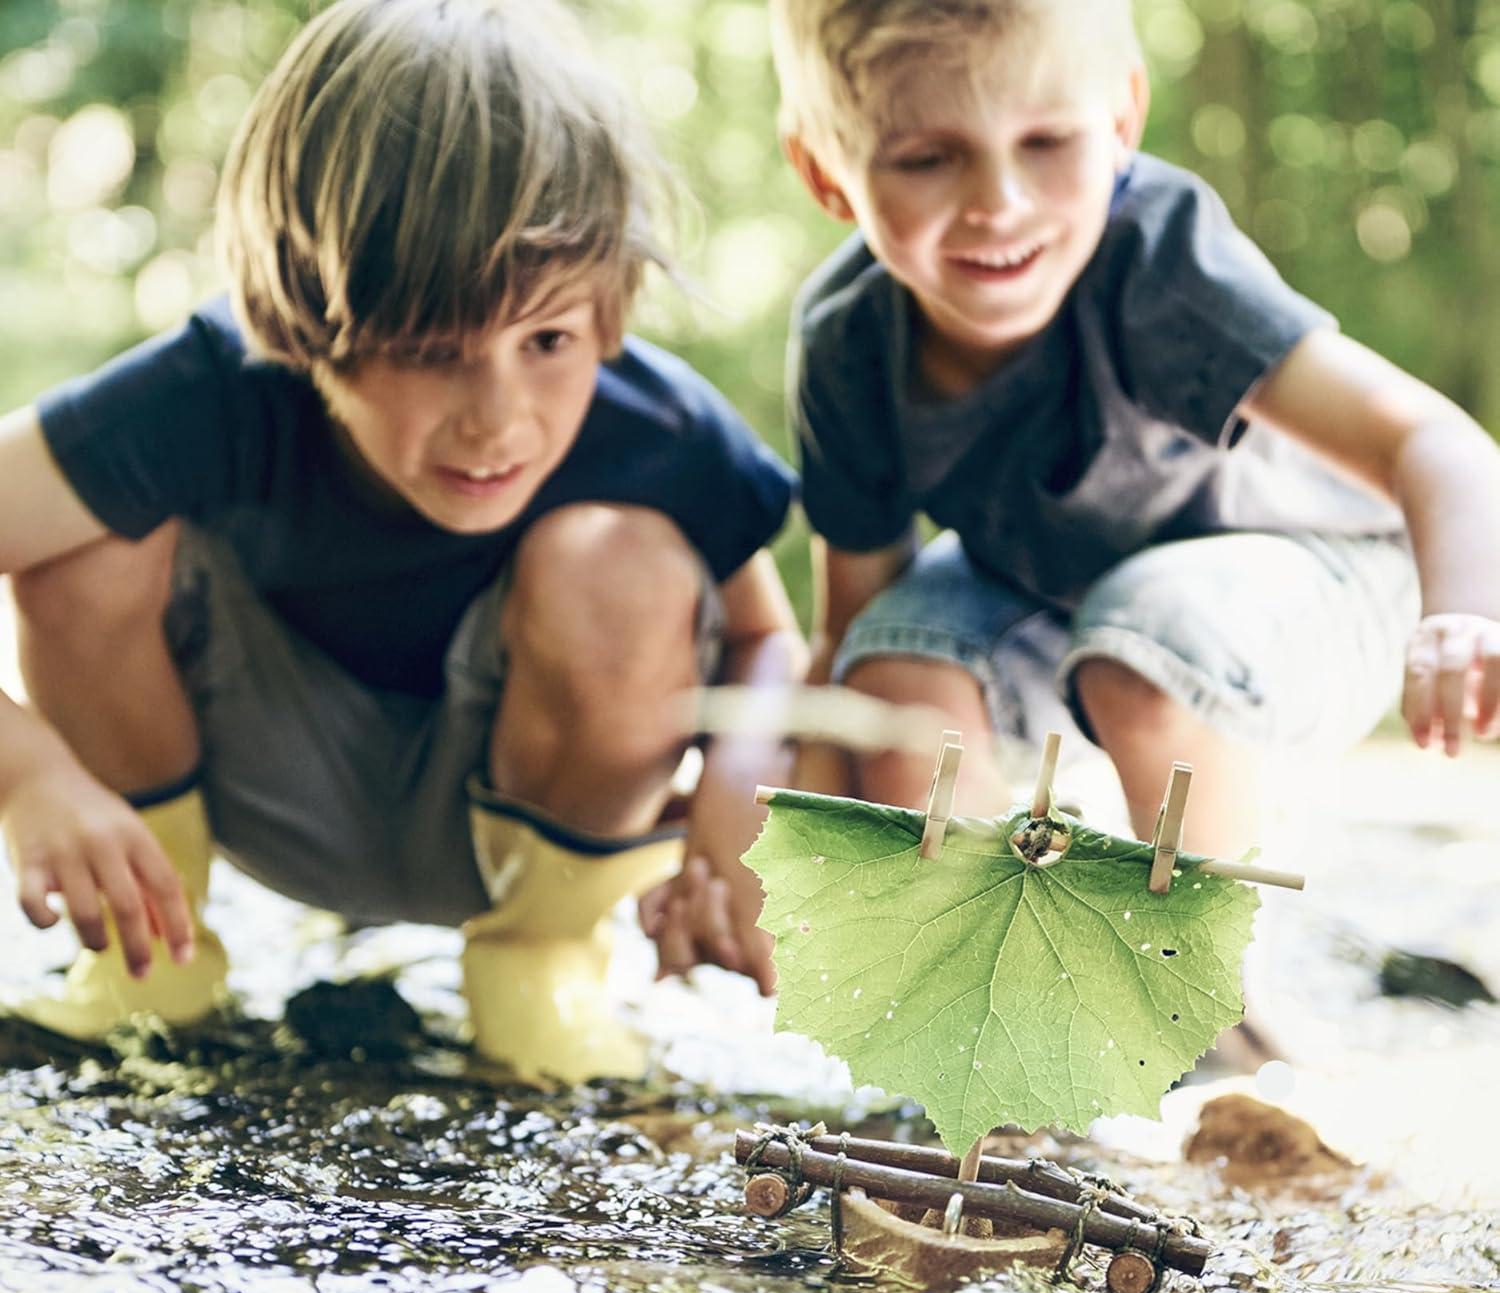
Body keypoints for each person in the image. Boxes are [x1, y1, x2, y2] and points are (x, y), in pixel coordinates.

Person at [0, 0, 804, 1083]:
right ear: (303, 313)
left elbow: (763, 639)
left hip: (522, 826)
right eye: (431, 349)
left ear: (613, 308)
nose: (498, 416)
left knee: (625, 565)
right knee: (81, 535)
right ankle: (156, 954)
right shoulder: (208, 388)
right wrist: (28, 777)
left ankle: (540, 966)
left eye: (550, 338)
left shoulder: (659, 429)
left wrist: (740, 796)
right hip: (252, 789)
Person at [768, 0, 1500, 875]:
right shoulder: (850, 339)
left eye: (1047, 143)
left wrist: (1465, 616)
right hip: (1066, 596)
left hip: (1322, 577)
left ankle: (1200, 983)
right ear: (824, 173)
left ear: (1120, 119)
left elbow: (1431, 440)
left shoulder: (1157, 259)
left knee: (1140, 649)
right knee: (893, 675)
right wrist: (789, 836)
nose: (999, 204)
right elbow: (851, 623)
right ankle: (968, 979)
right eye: (926, 158)